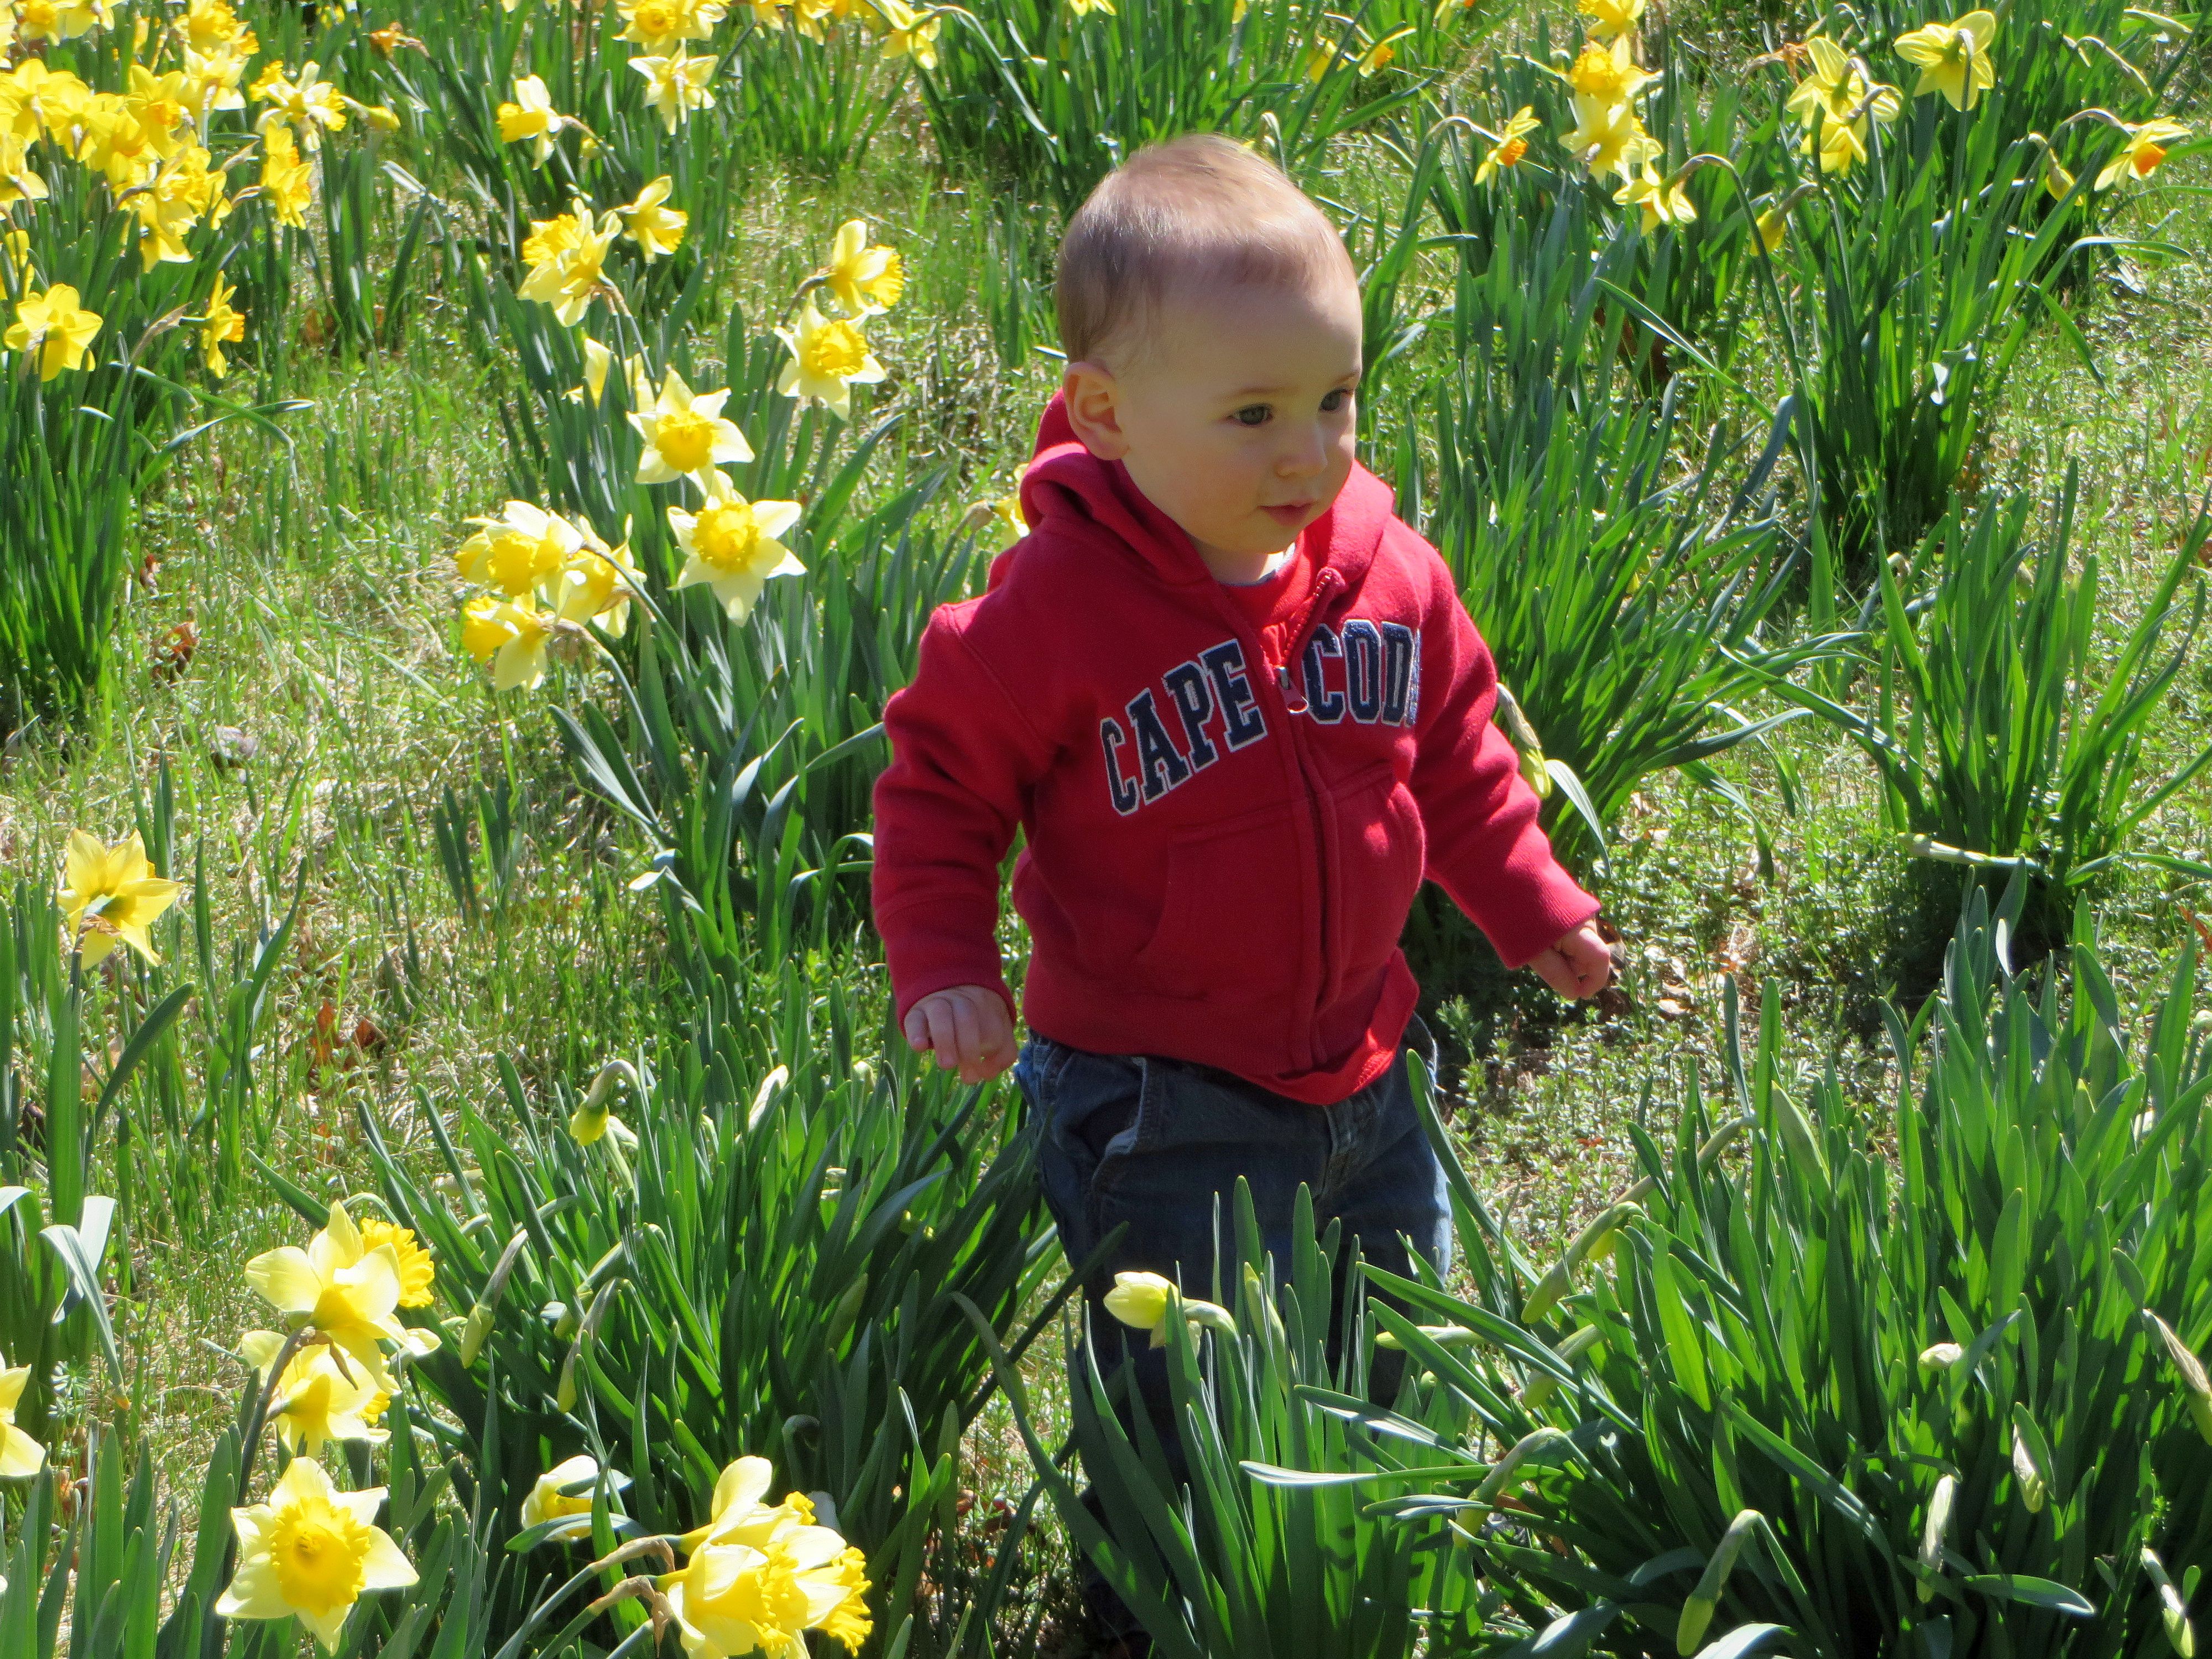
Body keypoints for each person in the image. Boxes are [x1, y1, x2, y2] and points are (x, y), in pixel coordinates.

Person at [870, 132, 1614, 1652]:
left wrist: (1531, 900)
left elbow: (1458, 749)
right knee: (1180, 1382)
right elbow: (938, 790)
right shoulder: (1053, 615)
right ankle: (1155, 1605)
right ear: (1106, 415)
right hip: (1158, 1092)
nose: (1307, 455)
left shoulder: (1386, 571)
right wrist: (946, 964)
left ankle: (1365, 1567)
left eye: (1337, 400)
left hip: (1367, 1064)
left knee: (1396, 1327)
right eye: (1255, 414)